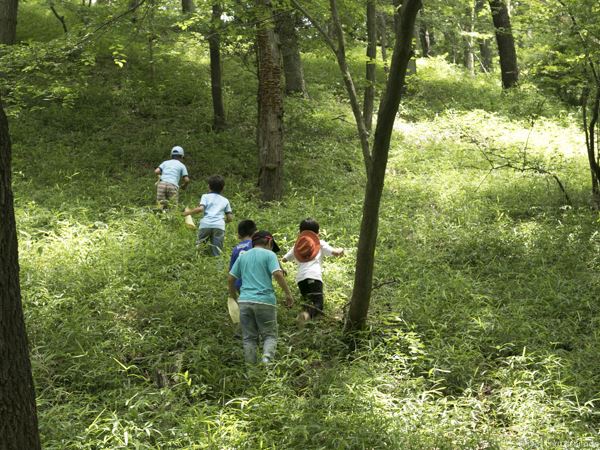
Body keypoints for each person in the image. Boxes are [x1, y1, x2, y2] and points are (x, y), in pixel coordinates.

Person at [228, 231, 294, 364]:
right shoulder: (270, 254)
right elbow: (278, 274)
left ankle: (252, 371)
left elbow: (230, 279)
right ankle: (267, 366)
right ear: (269, 242)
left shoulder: (243, 256)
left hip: (245, 301)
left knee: (249, 338)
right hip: (265, 301)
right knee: (269, 336)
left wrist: (233, 297)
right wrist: (288, 294)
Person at [282, 218, 344, 324]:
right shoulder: (319, 243)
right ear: (317, 233)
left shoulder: (297, 246)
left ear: (300, 232)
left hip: (301, 279)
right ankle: (305, 316)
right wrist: (341, 250)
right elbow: (335, 252)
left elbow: (284, 259)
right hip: (314, 276)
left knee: (307, 301)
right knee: (318, 304)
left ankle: (305, 322)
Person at [183, 175, 233, 256]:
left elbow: (200, 209)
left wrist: (187, 213)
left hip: (206, 225)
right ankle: (218, 266)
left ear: (209, 186)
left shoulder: (205, 196)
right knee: (217, 250)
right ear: (223, 188)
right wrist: (223, 221)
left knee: (200, 247)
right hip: (219, 226)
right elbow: (230, 218)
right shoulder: (225, 200)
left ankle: (198, 262)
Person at [229, 220, 258, 292]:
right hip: (254, 283)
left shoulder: (236, 249)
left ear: (239, 234)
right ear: (254, 233)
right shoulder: (256, 245)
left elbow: (231, 270)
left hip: (239, 284)